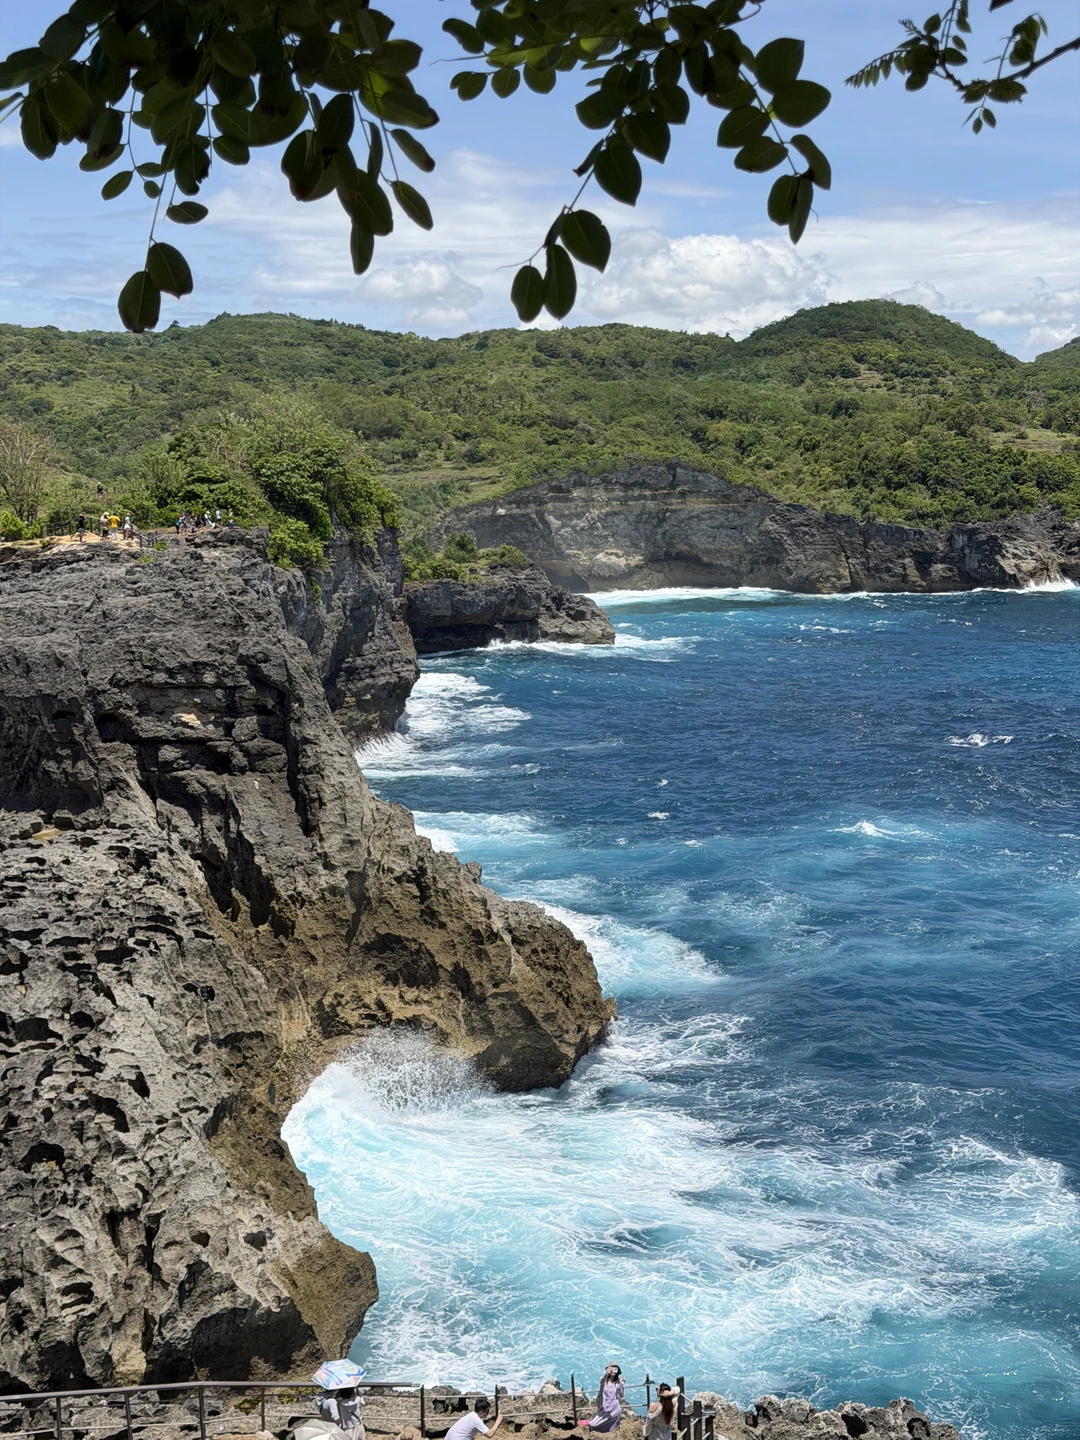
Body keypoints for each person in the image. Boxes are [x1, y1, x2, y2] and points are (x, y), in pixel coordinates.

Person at [579, 1366, 624, 1432]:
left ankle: (608, 1431)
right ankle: (590, 1424)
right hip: (604, 1403)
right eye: (612, 1369)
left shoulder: (617, 1383)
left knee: (613, 1422)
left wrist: (622, 1383)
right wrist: (607, 1373)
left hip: (614, 1405)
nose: (613, 1371)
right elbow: (603, 1379)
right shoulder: (604, 1380)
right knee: (599, 1419)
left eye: (615, 1370)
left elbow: (621, 1395)